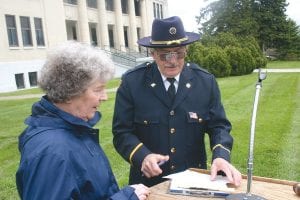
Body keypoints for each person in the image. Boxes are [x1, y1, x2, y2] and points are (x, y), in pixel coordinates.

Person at [112, 16, 242, 187]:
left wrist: (220, 156)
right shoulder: (132, 83)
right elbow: (122, 132)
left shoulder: (205, 82)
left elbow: (219, 126)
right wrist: (142, 156)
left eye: (178, 54)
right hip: (148, 184)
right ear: (153, 54)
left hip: (193, 181)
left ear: (186, 51)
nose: (172, 61)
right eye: (165, 55)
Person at [16, 41, 150, 200]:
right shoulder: (52, 151)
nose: (105, 97)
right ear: (70, 92)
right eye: (98, 90)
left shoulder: (73, 131)